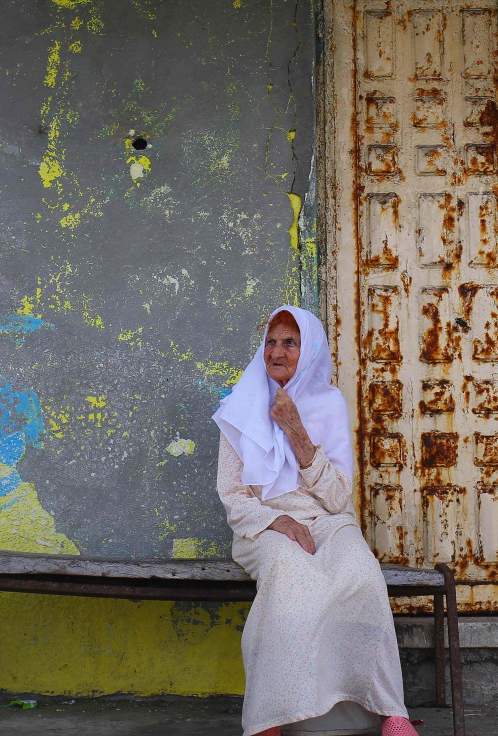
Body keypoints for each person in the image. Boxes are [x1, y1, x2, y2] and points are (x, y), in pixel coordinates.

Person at [213, 305, 419, 736]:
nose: (277, 351)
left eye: (290, 342)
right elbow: (233, 497)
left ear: (309, 351)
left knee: (361, 573)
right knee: (291, 576)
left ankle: (388, 711)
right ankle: (272, 719)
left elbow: (337, 496)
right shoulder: (239, 408)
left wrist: (296, 431)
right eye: (271, 341)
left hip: (327, 519)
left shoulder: (328, 404)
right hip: (264, 524)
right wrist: (279, 521)